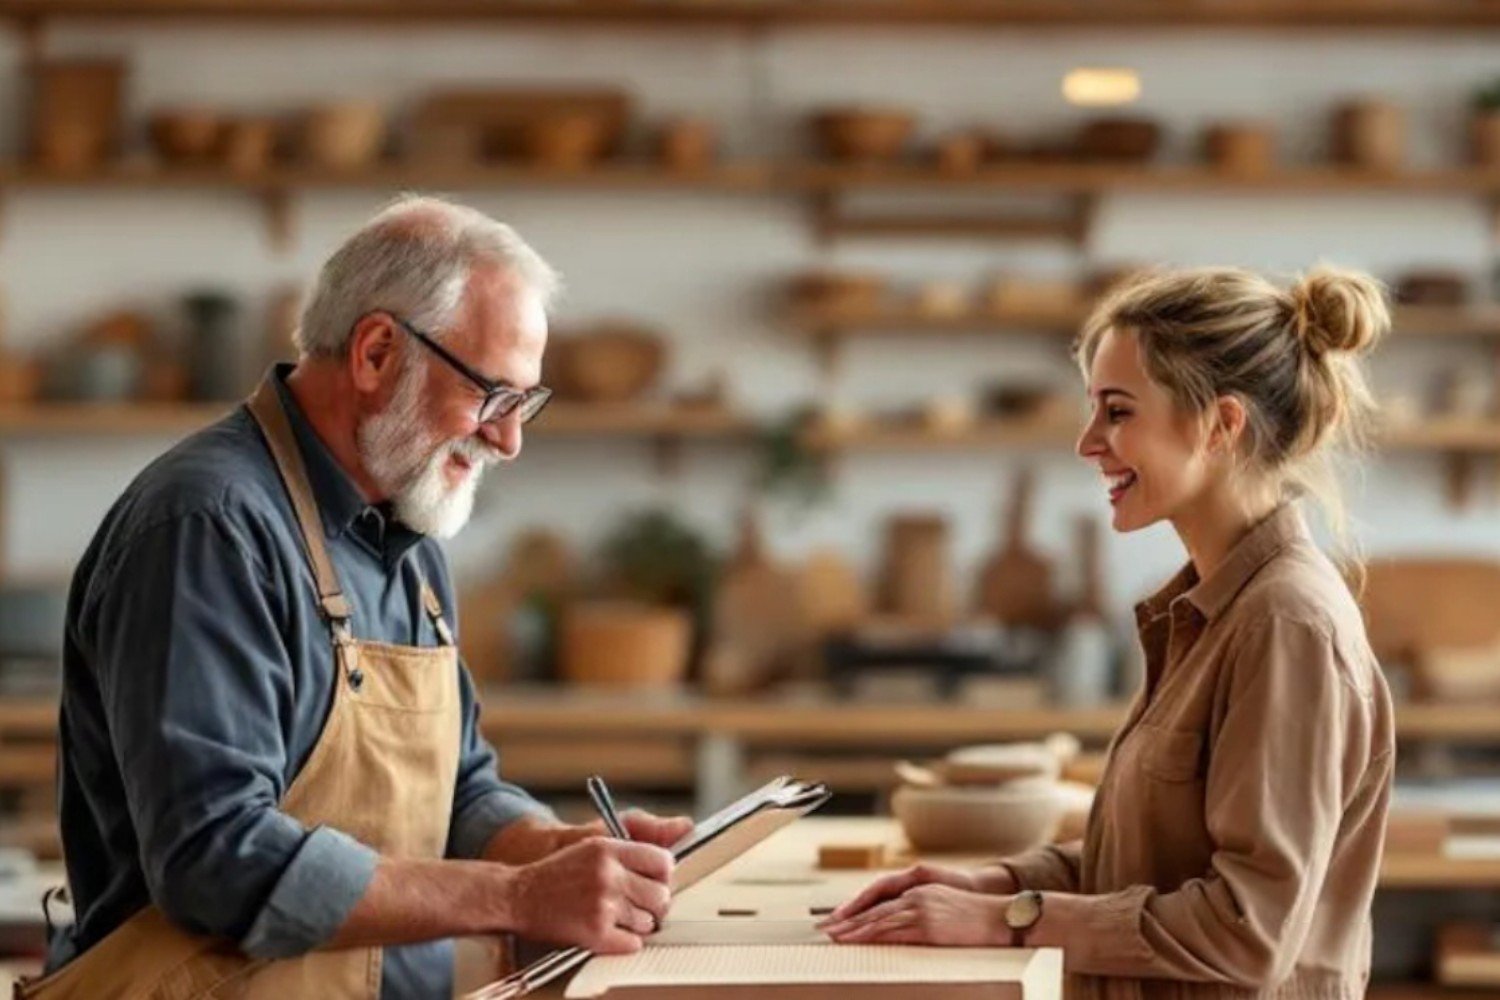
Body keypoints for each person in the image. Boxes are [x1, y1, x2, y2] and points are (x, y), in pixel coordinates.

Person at [27, 196, 692, 999]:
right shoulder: (208, 529)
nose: (509, 441)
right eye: (494, 396)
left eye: (524, 404)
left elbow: (458, 792)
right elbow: (213, 857)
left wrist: (552, 849)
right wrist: (516, 899)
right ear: (377, 353)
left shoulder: (406, 531)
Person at [820, 265, 1397, 1000]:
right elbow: (1147, 865)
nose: (1087, 442)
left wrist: (1005, 918)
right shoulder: (1211, 609)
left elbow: (1246, 931)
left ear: (1222, 424)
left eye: (1118, 412)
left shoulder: (1285, 624)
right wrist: (993, 882)